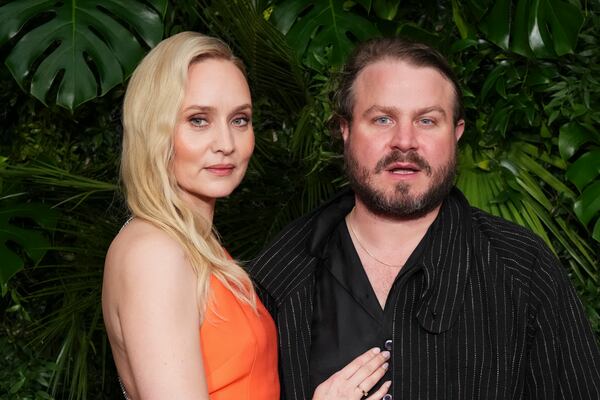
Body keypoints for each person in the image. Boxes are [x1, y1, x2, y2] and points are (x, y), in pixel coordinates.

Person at [249, 37, 600, 400]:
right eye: (383, 119)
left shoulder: (523, 269)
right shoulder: (282, 271)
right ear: (346, 130)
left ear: (456, 133)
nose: (405, 141)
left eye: (427, 120)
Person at [102, 32, 391, 400]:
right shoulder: (155, 252)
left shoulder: (194, 246)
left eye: (239, 119)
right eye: (198, 120)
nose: (226, 143)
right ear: (153, 129)